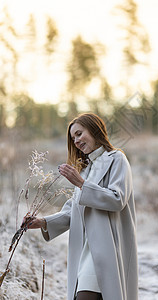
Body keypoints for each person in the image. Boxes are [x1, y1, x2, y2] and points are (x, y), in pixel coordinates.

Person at [26, 113, 138, 300]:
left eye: (79, 134)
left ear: (94, 130)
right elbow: (74, 210)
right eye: (73, 138)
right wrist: (43, 222)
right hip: (86, 249)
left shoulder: (117, 159)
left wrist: (81, 184)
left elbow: (118, 199)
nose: (76, 141)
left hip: (107, 247)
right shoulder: (87, 169)